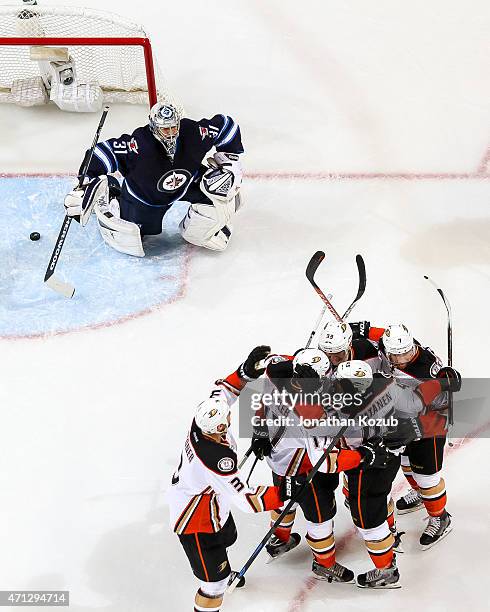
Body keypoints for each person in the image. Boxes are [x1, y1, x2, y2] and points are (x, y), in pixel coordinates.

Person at [167, 346, 296, 612]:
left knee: (228, 537)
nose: (228, 414)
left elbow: (224, 392)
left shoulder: (202, 422)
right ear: (220, 429)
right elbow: (247, 499)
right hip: (196, 520)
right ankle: (215, 585)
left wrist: (245, 372)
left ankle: (222, 571)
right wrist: (283, 491)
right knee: (212, 585)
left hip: (210, 500)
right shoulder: (216, 460)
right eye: (226, 418)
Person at [64, 101, 244, 256]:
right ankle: (111, 194)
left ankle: (205, 228)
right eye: (165, 129)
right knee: (130, 240)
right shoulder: (139, 144)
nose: (171, 133)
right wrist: (85, 181)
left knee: (224, 193)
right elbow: (102, 152)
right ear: (154, 127)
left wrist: (231, 160)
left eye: (174, 127)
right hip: (146, 198)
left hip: (188, 183)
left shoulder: (194, 132)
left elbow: (226, 126)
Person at [352, 321, 454, 549]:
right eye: (395, 355)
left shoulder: (425, 372)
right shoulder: (389, 344)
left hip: (429, 427)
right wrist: (358, 328)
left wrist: (414, 428)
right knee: (407, 465)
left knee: (427, 477)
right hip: (400, 421)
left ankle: (440, 516)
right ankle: (419, 493)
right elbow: (375, 334)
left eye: (406, 353)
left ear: (412, 346)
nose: (401, 359)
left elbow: (443, 410)